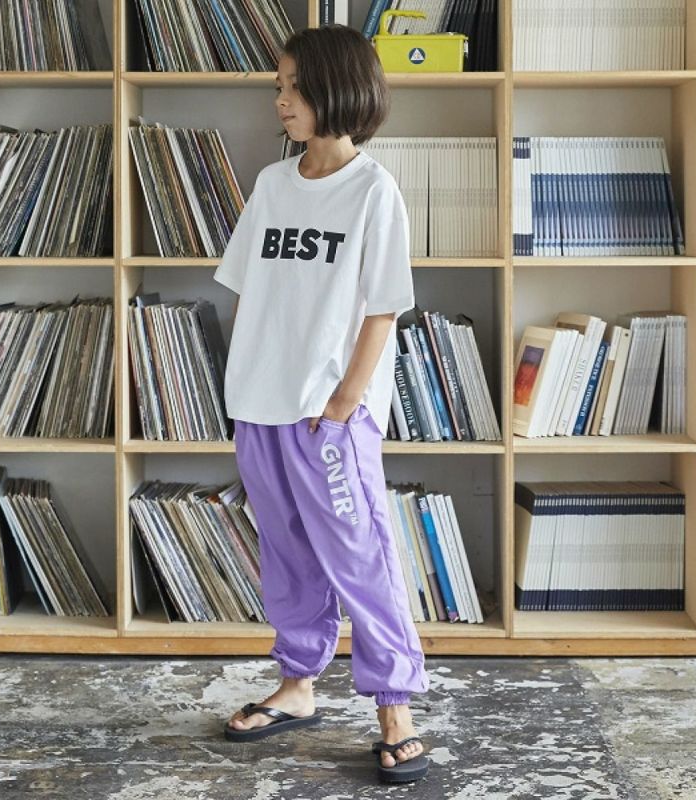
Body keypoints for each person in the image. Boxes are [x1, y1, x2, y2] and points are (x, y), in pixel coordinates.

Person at [213, 24, 430, 785]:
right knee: (286, 554)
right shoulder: (273, 184)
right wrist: (245, 382)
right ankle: (298, 684)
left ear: (337, 90)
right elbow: (250, 292)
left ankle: (395, 708)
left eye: (294, 88)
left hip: (328, 417)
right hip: (260, 405)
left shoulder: (374, 191)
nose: (281, 101)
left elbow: (383, 310)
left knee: (359, 557)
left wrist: (344, 403)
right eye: (279, 87)